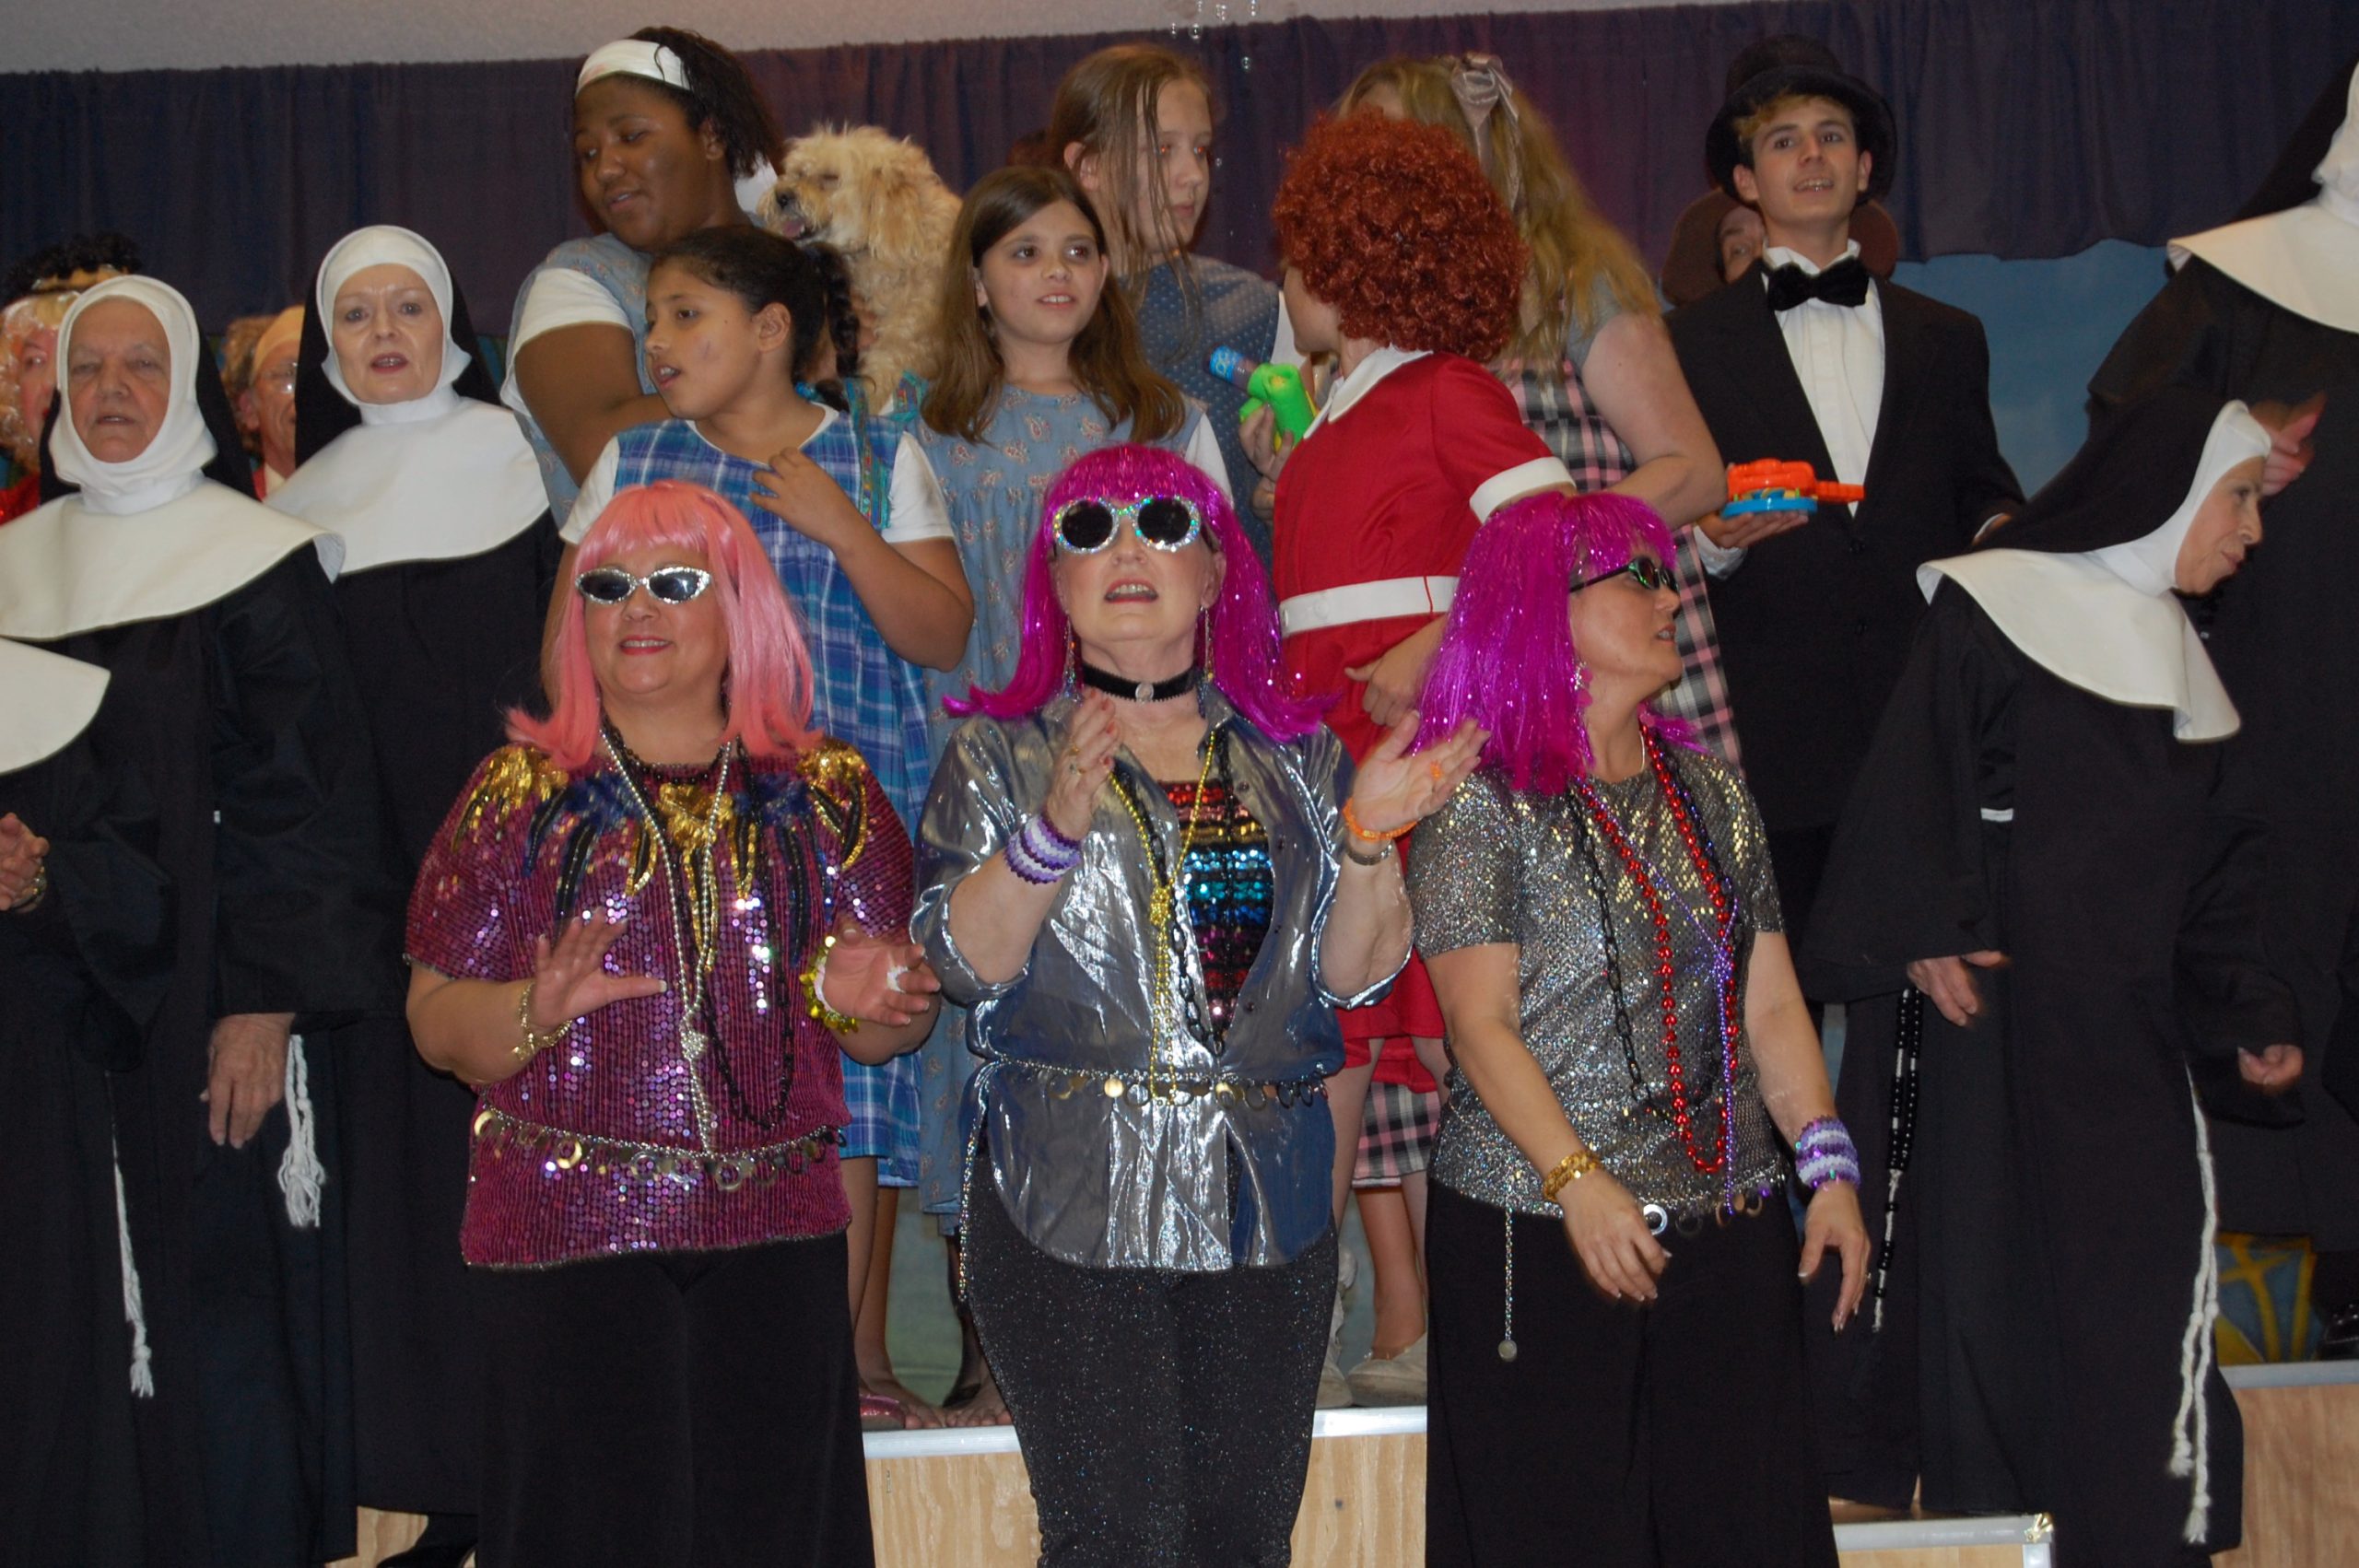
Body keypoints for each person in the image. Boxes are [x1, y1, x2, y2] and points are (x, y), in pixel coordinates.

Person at [914, 443, 1481, 1566]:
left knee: (1241, 1542)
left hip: (1265, 1191)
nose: (1126, 547)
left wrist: (1370, 839)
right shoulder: (998, 753)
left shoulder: (1298, 757)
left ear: (1219, 570)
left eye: (1164, 522)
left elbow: (1352, 978)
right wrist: (1051, 831)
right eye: (1089, 528)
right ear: (1055, 581)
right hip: (1061, 1184)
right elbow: (965, 964)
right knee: (1117, 1538)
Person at [1799, 390, 2306, 1564]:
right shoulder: (1991, 608)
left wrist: (2248, 1012)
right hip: (1987, 1028)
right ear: (2168, 492)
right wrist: (1921, 925)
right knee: (1983, 1300)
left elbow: (2216, 873)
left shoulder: (2186, 655)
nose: (2251, 527)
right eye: (2237, 497)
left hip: (2120, 1044)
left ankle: (2135, 1533)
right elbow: (1905, 787)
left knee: (2130, 1299)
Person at [405, 479, 939, 1567]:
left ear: (741, 608)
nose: (634, 608)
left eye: (674, 581)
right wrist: (534, 1010)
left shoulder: (827, 790)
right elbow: (432, 1022)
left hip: (777, 1239)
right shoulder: (517, 794)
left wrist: (872, 1000)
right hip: (565, 1236)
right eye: (605, 586)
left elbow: (883, 1031)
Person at [0, 275, 404, 1566]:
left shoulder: (254, 561)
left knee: (218, 1317)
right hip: (43, 1003)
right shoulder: (13, 569)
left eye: (142, 366)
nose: (111, 391)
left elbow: (310, 802)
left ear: (185, 391)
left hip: (209, 1006)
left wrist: (264, 1004)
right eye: (88, 368)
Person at [557, 225, 970, 1426]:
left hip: (838, 821)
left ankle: (851, 1359)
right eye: (654, 318)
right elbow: (565, 647)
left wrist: (845, 527)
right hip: (673, 821)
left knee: (848, 1064)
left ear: (772, 328)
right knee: (695, 1057)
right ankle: (714, 1367)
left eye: (686, 314)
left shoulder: (877, 451)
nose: (658, 341)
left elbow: (942, 631)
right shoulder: (634, 459)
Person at [1408, 488, 1863, 1567]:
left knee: (1742, 1529)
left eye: (1668, 576)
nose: (1671, 598)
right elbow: (1478, 1026)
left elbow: (1771, 1002)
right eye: (1641, 578)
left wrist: (1828, 1167)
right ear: (1545, 608)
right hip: (1539, 1217)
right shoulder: (1476, 798)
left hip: (1727, 1217)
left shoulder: (1713, 793)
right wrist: (1579, 1182)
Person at [901, 162, 1230, 1423]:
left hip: (1153, 748)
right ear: (978, 281)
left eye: (1079, 251)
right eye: (1026, 251)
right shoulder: (928, 424)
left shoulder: (1162, 416)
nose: (1056, 273)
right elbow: (926, 616)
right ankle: (992, 1346)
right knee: (984, 1036)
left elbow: (1222, 584)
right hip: (992, 751)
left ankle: (1172, 1319)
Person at [265, 223, 557, 1562]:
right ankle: (453, 1492)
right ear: (328, 347)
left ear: (452, 324)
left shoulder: (524, 461)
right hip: (389, 897)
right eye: (358, 314)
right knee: (422, 1207)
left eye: (409, 307)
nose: (386, 333)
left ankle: (546, 1479)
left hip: (536, 876)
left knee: (541, 1179)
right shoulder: (299, 506)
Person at [1265, 111, 1575, 1343]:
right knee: (1333, 1034)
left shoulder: (1446, 389)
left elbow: (1555, 532)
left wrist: (1437, 644)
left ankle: (1553, 1292)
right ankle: (1298, 1335)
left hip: (1420, 756)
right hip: (1327, 756)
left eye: (1298, 254)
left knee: (1464, 1030)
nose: (1284, 280)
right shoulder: (1326, 420)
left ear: (1349, 261)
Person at [2088, 53, 2359, 1360]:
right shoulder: (2245, 279)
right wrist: (2232, 442)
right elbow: (2128, 440)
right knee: (2280, 949)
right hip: (2284, 680)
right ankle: (2292, 1299)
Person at [1668, 36, 2022, 954]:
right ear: (1744, 181)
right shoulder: (1683, 346)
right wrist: (1710, 540)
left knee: (1930, 992)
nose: (1812, 156)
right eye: (1783, 141)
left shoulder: (1950, 336)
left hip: (1921, 719)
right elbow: (1653, 523)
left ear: (1865, 168)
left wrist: (2010, 539)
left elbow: (1982, 488)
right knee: (1773, 991)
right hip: (1768, 729)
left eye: (1831, 136)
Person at [506, 27, 781, 529]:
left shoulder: (811, 258)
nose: (605, 170)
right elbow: (606, 454)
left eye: (631, 137)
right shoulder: (581, 277)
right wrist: (795, 376)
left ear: (712, 136)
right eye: (588, 154)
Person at [1049, 43, 1291, 554]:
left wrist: (1281, 497)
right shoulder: (1038, 317)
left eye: (1200, 150)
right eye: (1163, 150)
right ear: (1088, 166)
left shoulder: (1255, 310)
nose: (1195, 176)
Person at [0, 232, 141, 523]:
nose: (51, 383)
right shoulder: (7, 522)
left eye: (79, 360)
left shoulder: (200, 524)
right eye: (34, 361)